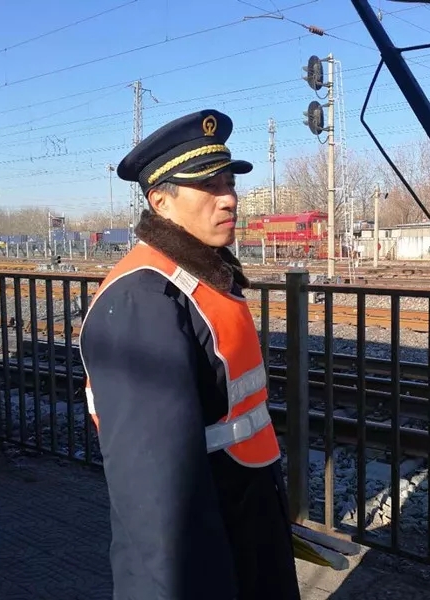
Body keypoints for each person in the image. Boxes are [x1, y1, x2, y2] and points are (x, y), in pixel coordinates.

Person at [78, 109, 301, 600]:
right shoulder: (143, 299)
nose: (229, 198)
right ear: (160, 201)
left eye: (230, 182)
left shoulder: (200, 276)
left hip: (242, 517)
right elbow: (155, 492)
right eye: (208, 185)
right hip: (206, 547)